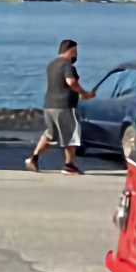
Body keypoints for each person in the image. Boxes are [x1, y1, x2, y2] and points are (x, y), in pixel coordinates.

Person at [27, 39, 95, 174]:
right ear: (68, 50)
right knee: (71, 136)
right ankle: (69, 165)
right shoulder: (66, 65)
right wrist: (84, 93)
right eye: (74, 51)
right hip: (64, 106)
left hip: (49, 105)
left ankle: (34, 157)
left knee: (51, 135)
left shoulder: (52, 65)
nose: (76, 54)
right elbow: (71, 82)